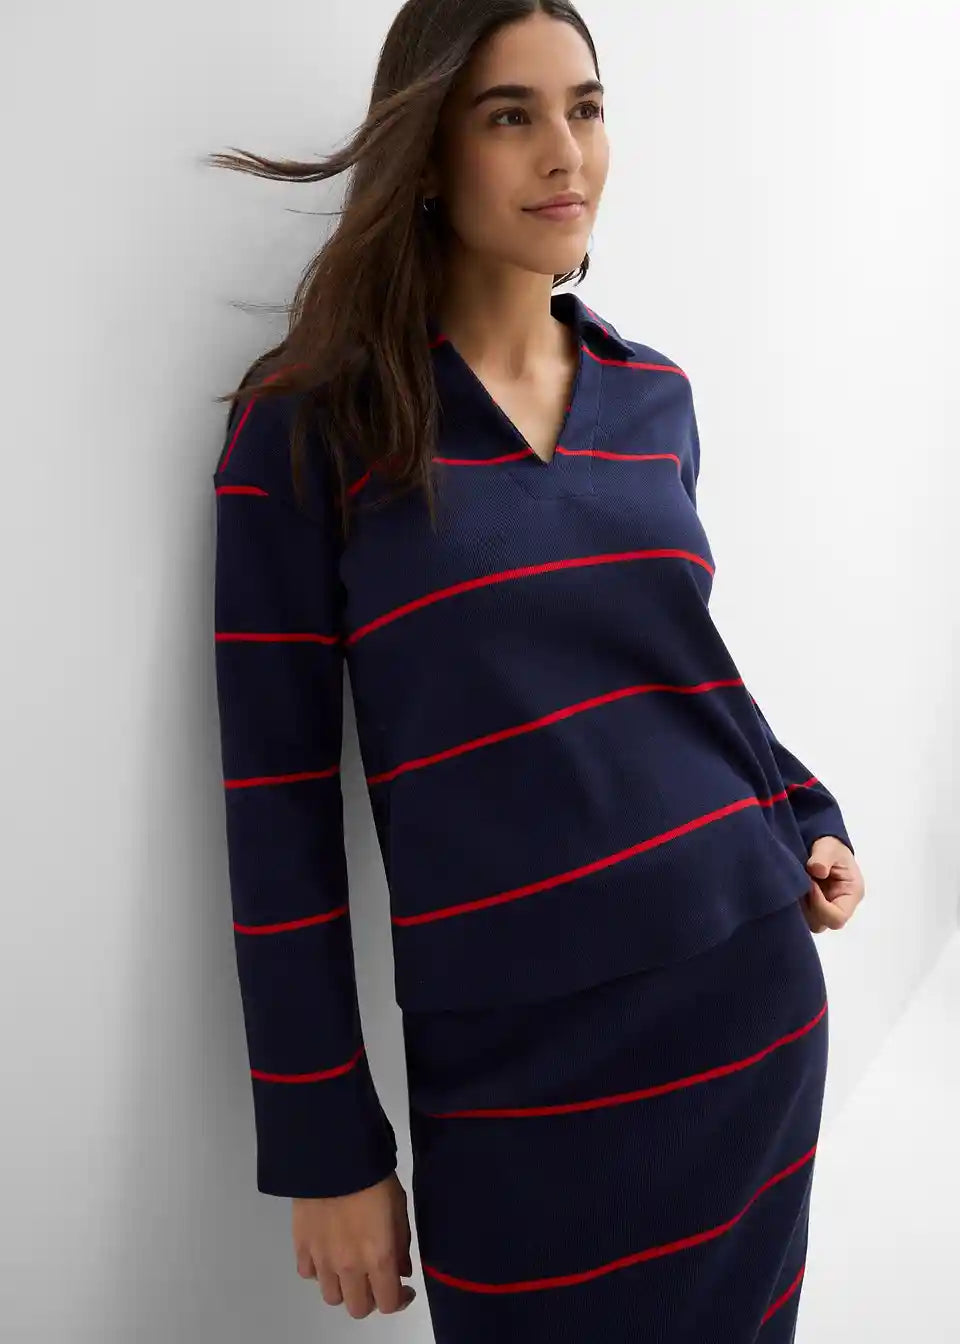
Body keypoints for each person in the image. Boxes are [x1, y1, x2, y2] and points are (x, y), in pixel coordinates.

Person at [207, 1, 866, 1338]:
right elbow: (276, 809)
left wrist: (802, 807)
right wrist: (325, 1142)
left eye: (587, 107)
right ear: (428, 152)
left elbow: (671, 663)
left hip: (746, 1005)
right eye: (512, 115)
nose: (566, 151)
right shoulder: (310, 427)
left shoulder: (653, 395)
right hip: (519, 1073)